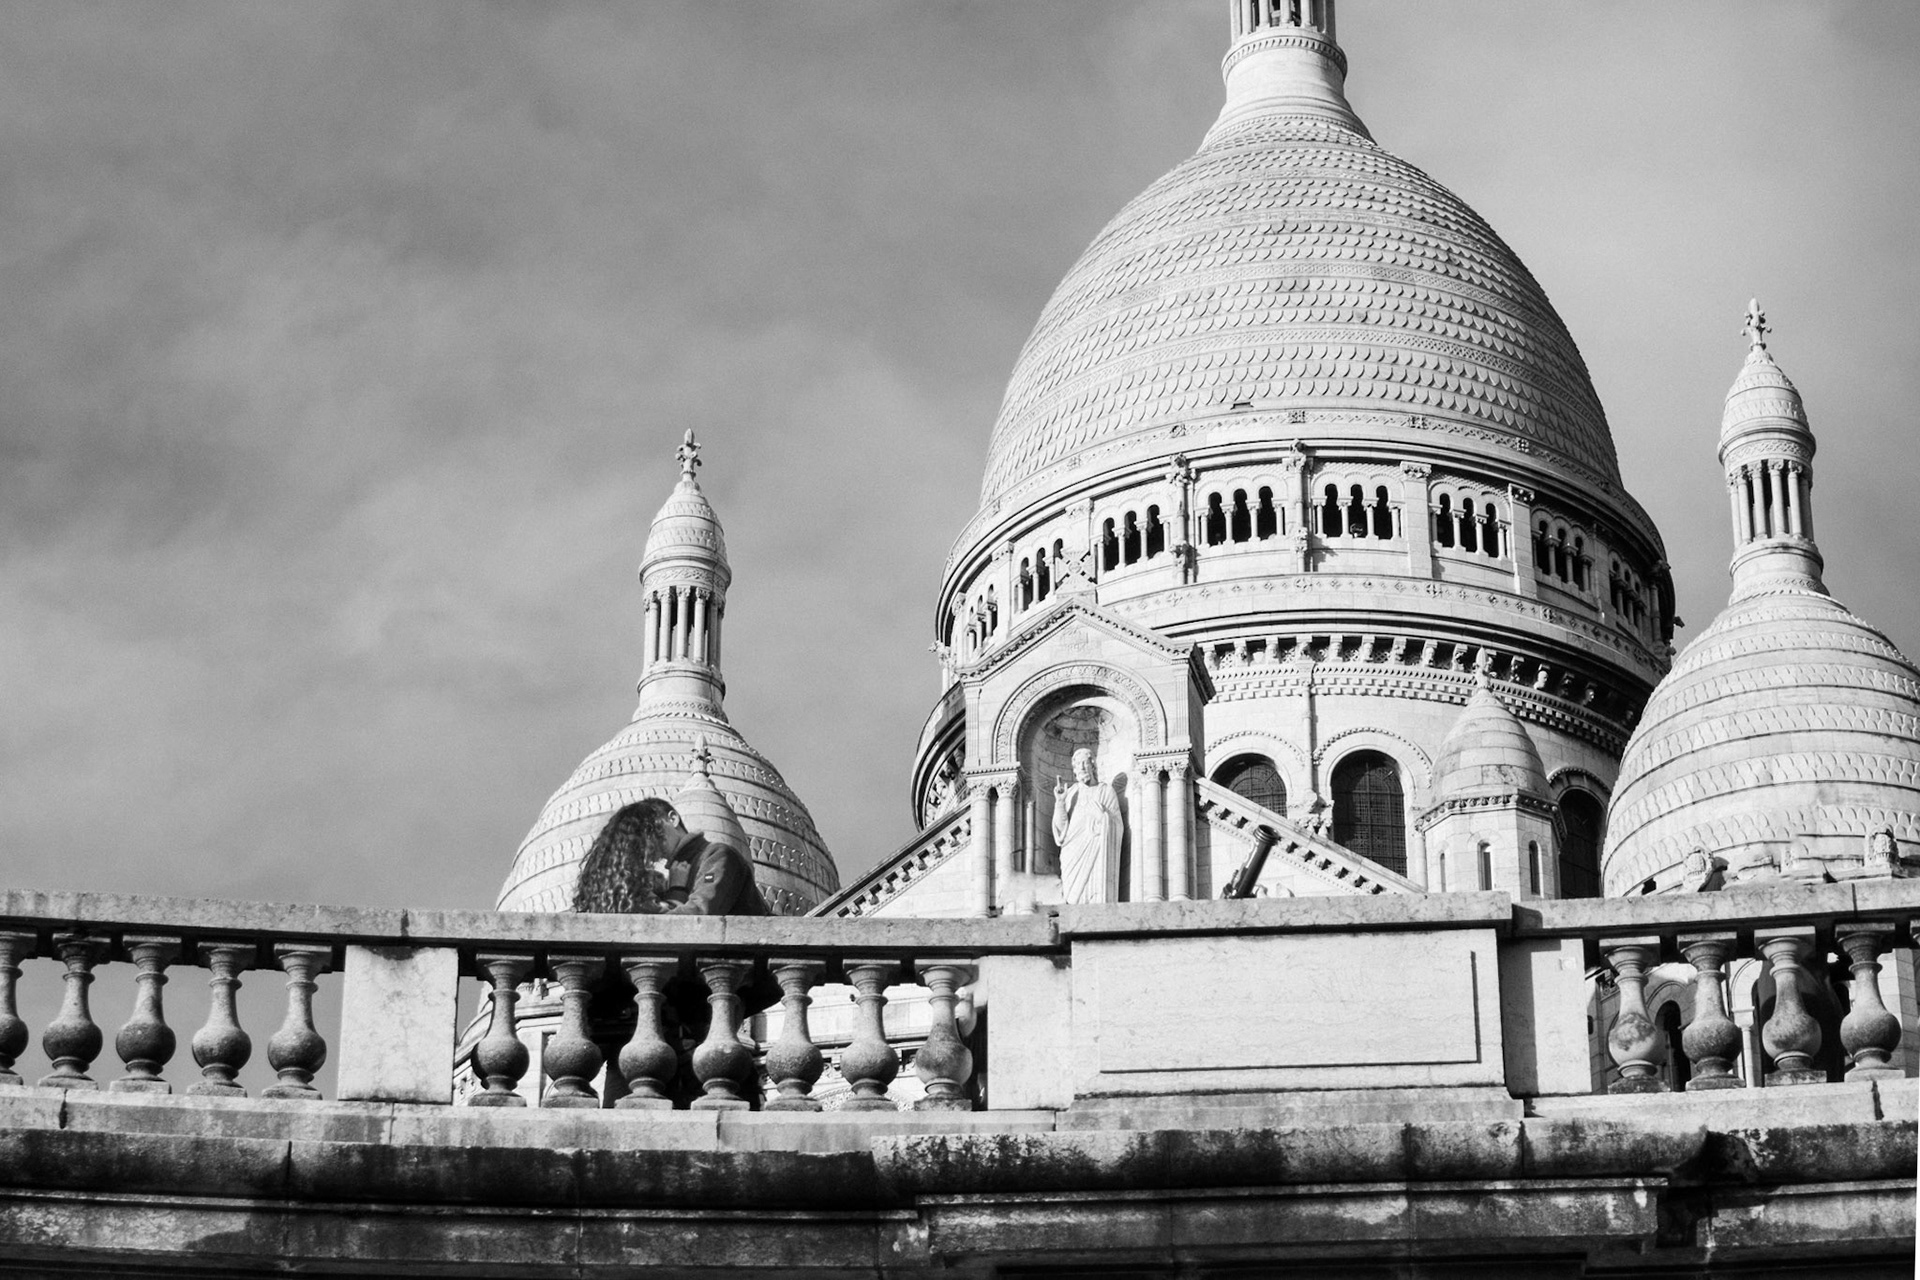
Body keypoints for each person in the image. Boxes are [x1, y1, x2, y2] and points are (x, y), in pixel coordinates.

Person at [573, 797, 769, 916]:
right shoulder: (672, 876)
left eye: (651, 830)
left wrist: (677, 889)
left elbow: (699, 917)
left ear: (672, 819)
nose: (648, 841)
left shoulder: (717, 856)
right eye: (642, 837)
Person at [1052, 747, 1124, 903]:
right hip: (1072, 850)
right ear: (1074, 770)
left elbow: (1117, 826)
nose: (1082, 767)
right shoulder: (1070, 793)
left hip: (1097, 849)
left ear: (1093, 765)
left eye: (1085, 763)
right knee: (1072, 897)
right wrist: (1059, 802)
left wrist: (1102, 816)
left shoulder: (1105, 791)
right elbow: (1060, 831)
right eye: (1078, 765)